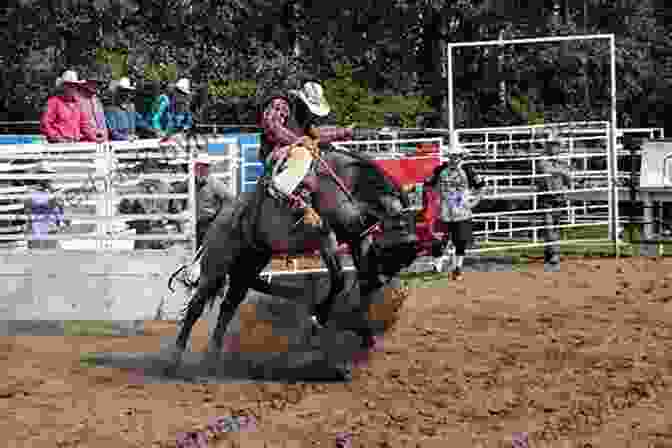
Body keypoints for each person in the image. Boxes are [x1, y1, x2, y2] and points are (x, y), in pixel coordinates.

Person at [258, 80, 354, 228]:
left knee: (333, 153)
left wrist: (340, 133)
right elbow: (273, 128)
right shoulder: (280, 104)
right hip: (277, 153)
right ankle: (279, 190)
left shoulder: (304, 113)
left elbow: (315, 134)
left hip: (296, 149)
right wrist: (300, 141)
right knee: (303, 154)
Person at [424, 145, 485, 280]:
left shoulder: (468, 170)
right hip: (443, 212)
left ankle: (457, 268)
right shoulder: (439, 169)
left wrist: (474, 202)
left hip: (462, 213)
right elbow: (427, 185)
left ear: (461, 157)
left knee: (460, 241)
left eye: (457, 156)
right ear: (448, 157)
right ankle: (437, 266)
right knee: (438, 240)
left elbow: (481, 187)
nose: (454, 159)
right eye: (452, 156)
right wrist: (434, 202)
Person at [171, 154, 231, 249]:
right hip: (194, 223)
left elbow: (229, 200)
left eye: (204, 166)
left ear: (208, 168)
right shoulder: (190, 182)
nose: (201, 169)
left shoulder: (215, 184)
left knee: (209, 249)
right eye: (198, 166)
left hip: (210, 223)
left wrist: (221, 218)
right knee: (195, 250)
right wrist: (179, 211)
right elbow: (175, 193)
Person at [535, 127, 571, 270]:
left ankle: (550, 253)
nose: (554, 147)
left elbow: (569, 177)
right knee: (549, 226)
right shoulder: (543, 158)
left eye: (556, 144)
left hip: (559, 195)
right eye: (551, 144)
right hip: (546, 196)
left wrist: (563, 173)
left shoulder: (562, 159)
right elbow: (545, 170)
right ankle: (554, 254)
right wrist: (562, 171)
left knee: (555, 226)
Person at [40, 70, 98, 143]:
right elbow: (45, 124)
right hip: (57, 146)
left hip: (75, 143)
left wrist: (95, 137)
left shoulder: (78, 105)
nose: (72, 88)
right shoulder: (53, 103)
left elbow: (85, 125)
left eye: (74, 86)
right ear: (63, 87)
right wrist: (56, 138)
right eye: (69, 85)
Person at [24, 161, 65, 249]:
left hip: (51, 232)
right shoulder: (30, 192)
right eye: (44, 175)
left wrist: (61, 207)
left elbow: (62, 217)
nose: (48, 178)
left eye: (49, 175)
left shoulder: (53, 191)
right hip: (37, 235)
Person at [78, 72, 109, 142]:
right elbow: (82, 124)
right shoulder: (78, 101)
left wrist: (105, 137)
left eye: (98, 83)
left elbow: (102, 122)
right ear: (86, 84)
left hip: (101, 140)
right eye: (93, 83)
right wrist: (92, 136)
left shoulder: (97, 101)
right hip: (86, 142)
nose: (96, 86)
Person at [104, 77, 137, 141]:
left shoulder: (131, 108)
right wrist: (126, 138)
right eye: (123, 91)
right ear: (118, 93)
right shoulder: (110, 110)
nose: (126, 94)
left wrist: (155, 130)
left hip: (132, 145)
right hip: (118, 146)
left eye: (128, 91)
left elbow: (141, 122)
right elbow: (113, 132)